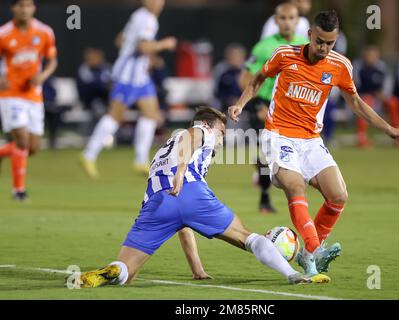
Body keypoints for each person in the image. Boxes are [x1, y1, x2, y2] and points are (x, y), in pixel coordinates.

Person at [229, 11, 399, 278]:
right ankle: (315, 249)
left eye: (330, 43)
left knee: (338, 195)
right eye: (320, 42)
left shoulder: (339, 66)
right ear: (310, 35)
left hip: (311, 140)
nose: (324, 48)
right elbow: (258, 79)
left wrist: (388, 129)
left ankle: (306, 255)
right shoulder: (284, 55)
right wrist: (240, 104)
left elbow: (357, 103)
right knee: (294, 185)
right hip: (278, 134)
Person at [78, 107, 326, 288]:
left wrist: (197, 269)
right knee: (247, 237)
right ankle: (292, 274)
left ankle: (113, 270)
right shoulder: (199, 131)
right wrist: (182, 171)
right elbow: (191, 137)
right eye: (222, 132)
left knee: (127, 273)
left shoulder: (162, 152)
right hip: (192, 190)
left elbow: (183, 224)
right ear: (209, 126)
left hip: (158, 203)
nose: (222, 138)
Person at [79, 0, 177, 179]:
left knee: (151, 113)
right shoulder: (148, 19)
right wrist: (165, 44)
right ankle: (89, 154)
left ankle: (140, 160)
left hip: (140, 75)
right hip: (128, 75)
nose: (158, 3)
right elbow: (143, 46)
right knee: (115, 116)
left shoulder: (138, 15)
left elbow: (120, 39)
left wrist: (142, 56)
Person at [241, 3, 308, 214]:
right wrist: (256, 104)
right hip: (263, 105)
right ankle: (264, 197)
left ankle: (296, 194)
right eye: (283, 18)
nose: (287, 22)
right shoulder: (263, 47)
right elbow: (245, 78)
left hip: (291, 108)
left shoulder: (305, 45)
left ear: (298, 20)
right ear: (276, 20)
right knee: (263, 155)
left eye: (291, 18)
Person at [0, 0, 58, 201]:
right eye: (20, 5)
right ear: (13, 8)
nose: (24, 9)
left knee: (32, 148)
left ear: (33, 8)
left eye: (28, 5)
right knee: (22, 141)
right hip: (11, 95)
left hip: (34, 95)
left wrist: (43, 76)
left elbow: (52, 60)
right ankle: (19, 191)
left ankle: (1, 152)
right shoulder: (4, 33)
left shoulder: (44, 32)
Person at [353, 45, 399, 148]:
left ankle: (398, 137)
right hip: (364, 97)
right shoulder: (358, 67)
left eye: (373, 55)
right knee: (366, 102)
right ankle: (362, 139)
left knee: (393, 102)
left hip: (380, 98)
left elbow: (388, 84)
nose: (370, 57)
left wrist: (384, 94)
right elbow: (354, 85)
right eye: (369, 55)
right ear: (364, 55)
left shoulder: (382, 68)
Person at [76, 47, 112, 133]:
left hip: (106, 99)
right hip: (89, 100)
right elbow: (90, 86)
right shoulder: (84, 69)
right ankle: (98, 134)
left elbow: (112, 81)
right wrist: (104, 85)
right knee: (99, 107)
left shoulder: (106, 67)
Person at [212, 43, 247, 111]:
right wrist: (229, 99)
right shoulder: (221, 69)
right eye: (232, 55)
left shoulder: (249, 70)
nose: (234, 58)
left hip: (245, 107)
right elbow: (216, 92)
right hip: (224, 107)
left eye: (237, 55)